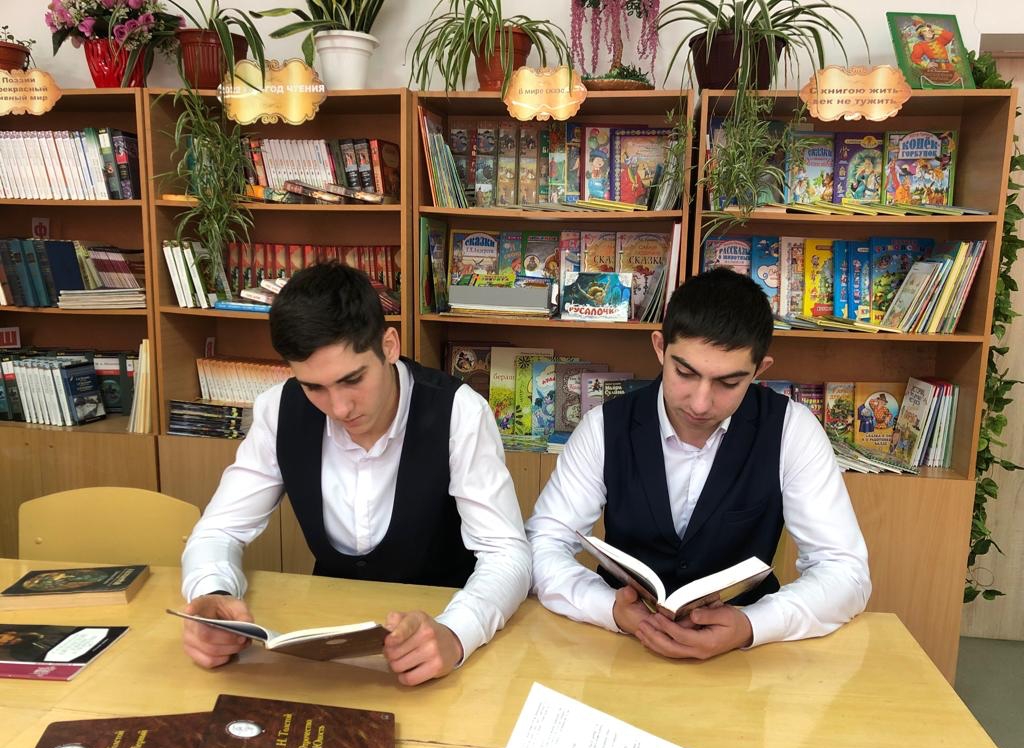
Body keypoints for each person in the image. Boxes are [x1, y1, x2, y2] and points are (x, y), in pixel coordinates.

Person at [180, 263, 531, 685]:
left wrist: (457, 632)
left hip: (440, 626)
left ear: (389, 345)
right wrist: (212, 594)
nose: (339, 407)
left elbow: (507, 553)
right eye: (314, 387)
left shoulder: (459, 412)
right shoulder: (279, 410)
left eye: (352, 380)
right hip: (328, 644)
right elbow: (219, 530)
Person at [526, 268, 870, 660]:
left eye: (728, 383)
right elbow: (543, 545)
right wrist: (608, 609)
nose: (701, 403)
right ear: (660, 348)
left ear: (760, 370)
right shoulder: (604, 427)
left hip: (743, 659)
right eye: (685, 373)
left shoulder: (792, 430)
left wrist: (752, 624)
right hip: (619, 648)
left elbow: (845, 572)